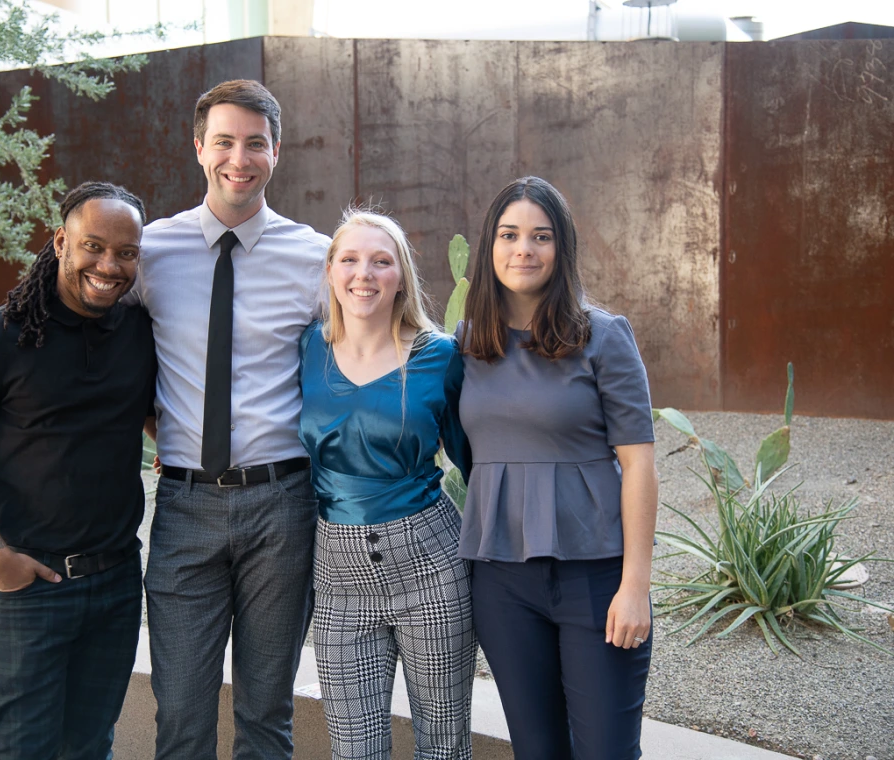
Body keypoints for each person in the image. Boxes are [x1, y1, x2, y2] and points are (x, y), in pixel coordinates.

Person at [129, 79, 330, 759]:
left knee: (266, 711)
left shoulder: (317, 258)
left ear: (277, 151)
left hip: (283, 507)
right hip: (185, 507)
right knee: (181, 711)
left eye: (254, 143)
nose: (237, 158)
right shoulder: (149, 252)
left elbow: (366, 360)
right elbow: (93, 340)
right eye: (223, 142)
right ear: (198, 148)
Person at [0, 182, 156, 760]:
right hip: (29, 586)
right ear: (61, 242)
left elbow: (158, 418)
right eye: (93, 247)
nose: (108, 265)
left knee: (90, 748)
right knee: (21, 751)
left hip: (116, 582)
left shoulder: (138, 332)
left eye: (125, 253)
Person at [457, 176, 658, 759]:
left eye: (541, 236)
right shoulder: (464, 346)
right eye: (510, 234)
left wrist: (636, 586)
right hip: (501, 582)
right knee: (537, 751)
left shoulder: (604, 337)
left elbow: (640, 464)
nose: (525, 249)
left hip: (595, 580)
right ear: (490, 246)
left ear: (560, 248)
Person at [298, 210, 475, 759]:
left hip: (430, 567)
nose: (364, 274)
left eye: (381, 261)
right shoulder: (307, 348)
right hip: (338, 576)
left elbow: (477, 461)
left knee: (443, 744)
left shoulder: (439, 356)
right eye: (349, 259)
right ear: (330, 271)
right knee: (355, 750)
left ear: (401, 276)